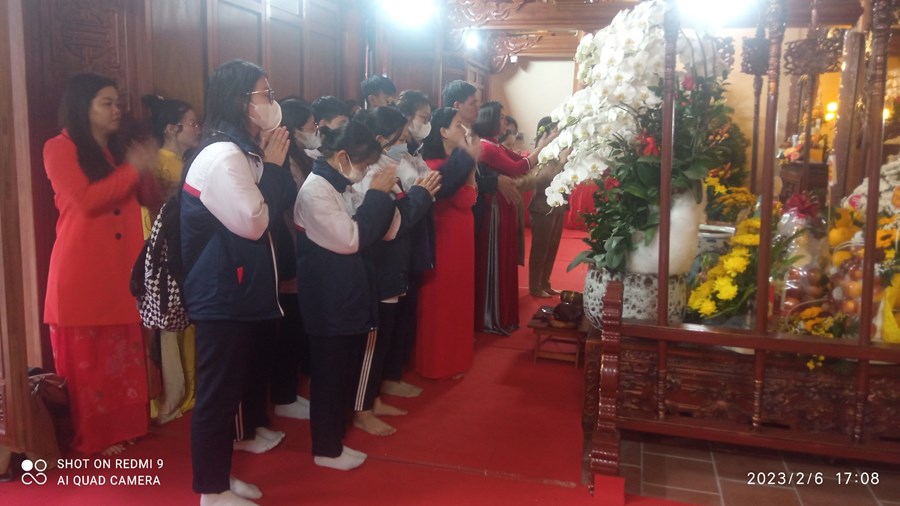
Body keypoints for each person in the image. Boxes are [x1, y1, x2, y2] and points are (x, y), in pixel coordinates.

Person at [181, 60, 295, 505]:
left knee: (229, 393)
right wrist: (277, 169)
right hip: (220, 294)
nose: (271, 103)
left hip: (236, 291)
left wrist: (271, 166)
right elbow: (254, 220)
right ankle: (211, 492)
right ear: (239, 101)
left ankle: (221, 480)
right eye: (265, 95)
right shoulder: (222, 156)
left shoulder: (239, 150)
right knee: (216, 396)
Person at [43, 73, 157, 456]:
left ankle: (125, 427)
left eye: (117, 102)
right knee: (89, 364)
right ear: (82, 107)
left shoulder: (116, 150)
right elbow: (88, 201)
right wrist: (133, 167)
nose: (116, 110)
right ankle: (93, 437)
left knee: (122, 357)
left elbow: (147, 197)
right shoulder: (58, 148)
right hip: (83, 271)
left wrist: (142, 164)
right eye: (106, 103)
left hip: (121, 268)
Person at [294, 121, 398, 470]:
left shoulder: (336, 183)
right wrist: (378, 195)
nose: (365, 172)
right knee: (328, 376)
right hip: (327, 299)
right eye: (364, 165)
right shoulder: (315, 191)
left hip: (345, 293)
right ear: (342, 157)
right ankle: (325, 449)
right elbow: (350, 239)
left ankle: (334, 441)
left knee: (342, 372)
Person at [351, 107, 440, 435]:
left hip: (395, 264)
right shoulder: (371, 174)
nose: (404, 144)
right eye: (399, 139)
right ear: (379, 139)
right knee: (374, 341)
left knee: (387, 335)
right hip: (380, 264)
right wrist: (421, 195)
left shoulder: (388, 167)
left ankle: (375, 395)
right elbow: (389, 225)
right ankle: (362, 408)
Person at [141, 94, 203, 425]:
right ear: (171, 128)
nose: (197, 129)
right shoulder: (159, 166)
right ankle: (174, 396)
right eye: (192, 123)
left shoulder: (186, 162)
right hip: (168, 259)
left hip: (187, 256)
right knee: (171, 331)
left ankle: (188, 393)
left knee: (186, 330)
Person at [472, 101, 553, 334]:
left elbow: (520, 163)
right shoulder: (486, 147)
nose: (505, 123)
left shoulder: (494, 145)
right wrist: (543, 146)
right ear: (489, 119)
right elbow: (519, 168)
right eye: (501, 118)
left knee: (506, 256)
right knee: (497, 258)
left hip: (503, 204)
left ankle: (502, 313)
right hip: (494, 209)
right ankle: (493, 315)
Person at [416, 107, 481, 379]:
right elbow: (467, 199)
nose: (463, 131)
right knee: (443, 301)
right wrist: (470, 169)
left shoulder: (452, 162)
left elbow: (471, 197)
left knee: (459, 298)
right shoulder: (435, 165)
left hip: (460, 237)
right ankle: (439, 362)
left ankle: (456, 357)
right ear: (442, 131)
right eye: (457, 125)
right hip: (445, 238)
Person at [268, 99, 315, 421]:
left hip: (300, 244)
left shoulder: (299, 156)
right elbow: (285, 200)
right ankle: (283, 395)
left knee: (297, 323)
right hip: (285, 246)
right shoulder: (279, 159)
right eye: (312, 126)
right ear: (294, 129)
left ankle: (290, 390)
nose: (316, 131)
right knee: (287, 326)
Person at [523, 117, 568, 297]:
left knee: (552, 247)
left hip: (558, 206)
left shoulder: (558, 152)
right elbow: (542, 181)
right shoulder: (541, 154)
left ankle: (545, 283)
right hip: (542, 206)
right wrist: (562, 162)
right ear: (546, 133)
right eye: (556, 131)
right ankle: (535, 286)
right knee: (540, 248)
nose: (560, 134)